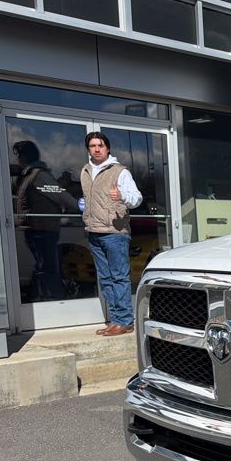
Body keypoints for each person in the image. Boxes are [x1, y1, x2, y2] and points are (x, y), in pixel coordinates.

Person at [81, 131, 143, 336]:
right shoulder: (85, 171)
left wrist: (122, 195)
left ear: (107, 148)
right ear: (88, 149)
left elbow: (137, 198)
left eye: (100, 145)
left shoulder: (119, 171)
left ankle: (125, 320)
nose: (96, 149)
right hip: (93, 231)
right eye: (92, 146)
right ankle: (116, 320)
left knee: (119, 277)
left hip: (115, 233)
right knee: (105, 278)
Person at [12, 141, 77, 301]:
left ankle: (52, 301)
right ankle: (44, 299)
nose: (18, 159)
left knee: (46, 267)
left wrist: (82, 207)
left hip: (43, 229)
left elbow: (61, 196)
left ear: (26, 156)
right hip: (36, 229)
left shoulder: (38, 175)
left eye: (19, 156)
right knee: (43, 266)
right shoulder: (28, 175)